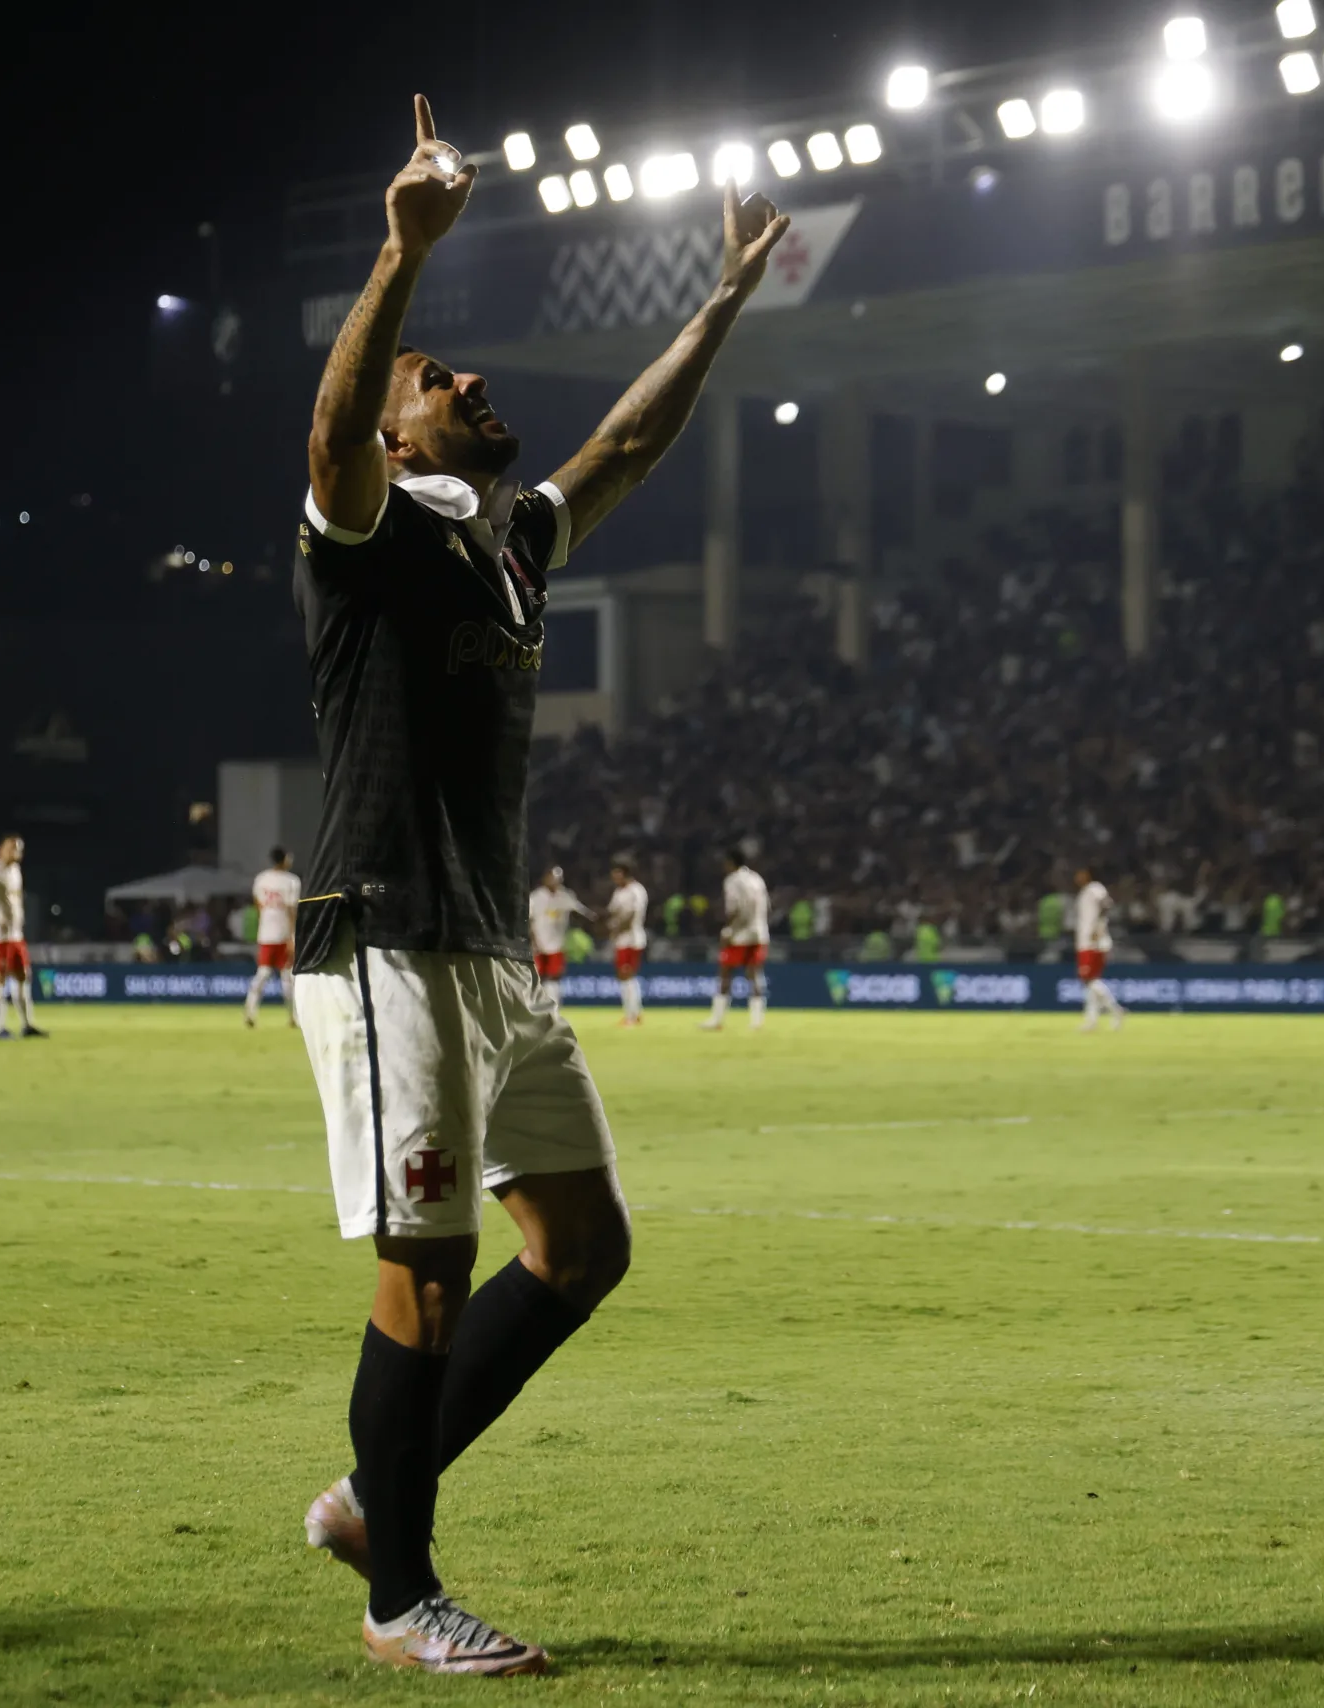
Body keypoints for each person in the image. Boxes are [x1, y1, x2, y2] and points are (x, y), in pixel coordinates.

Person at [289, 94, 789, 1677]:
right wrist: (399, 258)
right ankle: (397, 1601)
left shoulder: (505, 544)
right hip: (386, 939)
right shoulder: (364, 527)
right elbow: (329, 434)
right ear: (395, 431)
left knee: (582, 1248)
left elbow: (625, 444)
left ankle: (380, 1498)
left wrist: (716, 305)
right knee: (425, 1279)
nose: (467, 383)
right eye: (441, 383)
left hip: (492, 955)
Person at [0, 835, 45, 1040]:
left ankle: (27, 1025)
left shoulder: (15, 870)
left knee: (23, 976)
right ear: (1, 849)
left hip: (15, 934)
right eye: (12, 849)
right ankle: (0, 1028)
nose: (16, 853)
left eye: (19, 849)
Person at [703, 848, 769, 1031]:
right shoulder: (756, 878)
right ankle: (757, 1022)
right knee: (754, 975)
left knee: (725, 973)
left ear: (731, 862)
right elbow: (766, 905)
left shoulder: (733, 880)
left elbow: (734, 908)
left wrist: (728, 930)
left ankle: (717, 1020)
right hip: (759, 931)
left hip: (739, 933)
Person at [247, 847, 303, 1028]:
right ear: (284, 859)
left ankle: (250, 1012)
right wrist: (293, 936)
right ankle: (294, 1017)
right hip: (284, 933)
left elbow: (258, 904)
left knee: (262, 974)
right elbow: (291, 909)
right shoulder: (292, 881)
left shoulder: (261, 879)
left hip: (266, 933)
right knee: (288, 978)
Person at [1074, 865, 1126, 1032]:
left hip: (1093, 940)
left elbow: (1106, 905)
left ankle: (1116, 1010)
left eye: (1081, 872)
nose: (1077, 876)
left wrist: (1098, 927)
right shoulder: (1085, 892)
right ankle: (1092, 1020)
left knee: (1088, 978)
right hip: (1086, 940)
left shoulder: (1095, 888)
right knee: (1091, 980)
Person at [525, 867, 584, 1003]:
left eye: (558, 878)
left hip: (557, 943)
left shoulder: (566, 896)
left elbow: (580, 913)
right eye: (552, 877)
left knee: (554, 976)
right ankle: (538, 1006)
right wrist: (533, 940)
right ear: (545, 878)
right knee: (537, 976)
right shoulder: (536, 896)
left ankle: (554, 1006)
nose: (555, 881)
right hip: (539, 942)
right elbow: (529, 920)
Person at [602, 859, 649, 1027]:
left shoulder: (636, 891)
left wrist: (616, 929)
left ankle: (632, 1015)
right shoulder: (619, 892)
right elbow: (612, 912)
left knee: (626, 974)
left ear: (626, 874)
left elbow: (631, 915)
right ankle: (634, 1013)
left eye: (617, 874)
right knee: (624, 976)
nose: (615, 878)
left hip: (632, 938)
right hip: (621, 939)